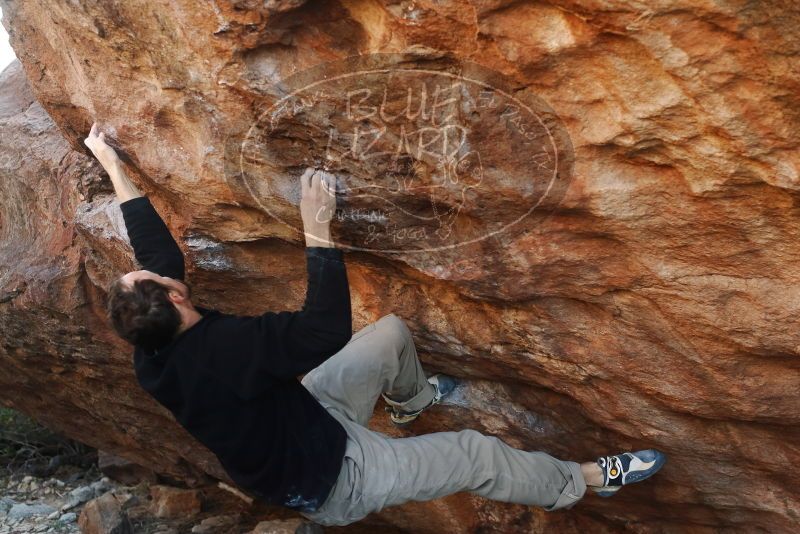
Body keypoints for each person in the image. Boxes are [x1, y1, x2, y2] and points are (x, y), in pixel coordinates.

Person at [83, 122, 666, 527]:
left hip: (302, 420)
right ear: (179, 300)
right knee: (475, 454)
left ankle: (409, 403)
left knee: (388, 335)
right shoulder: (229, 349)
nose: (145, 270)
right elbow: (321, 331)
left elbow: (157, 260)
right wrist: (317, 228)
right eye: (147, 277)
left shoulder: (152, 347)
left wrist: (112, 164)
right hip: (335, 477)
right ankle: (585, 479)